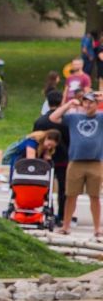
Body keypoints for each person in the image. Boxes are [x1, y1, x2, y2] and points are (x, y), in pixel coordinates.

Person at [50, 92, 103, 238]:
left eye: (91, 102)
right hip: (75, 161)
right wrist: (68, 104)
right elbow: (53, 117)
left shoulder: (100, 117)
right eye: (85, 102)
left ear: (96, 104)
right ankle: (66, 226)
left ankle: (97, 228)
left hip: (95, 162)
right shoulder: (74, 117)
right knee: (71, 195)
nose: (87, 105)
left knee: (95, 196)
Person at [33, 96, 69, 224]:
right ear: (61, 103)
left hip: (43, 159)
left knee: (45, 187)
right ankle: (61, 215)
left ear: (47, 103)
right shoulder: (64, 121)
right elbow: (68, 139)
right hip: (63, 159)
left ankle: (47, 210)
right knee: (62, 189)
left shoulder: (40, 121)